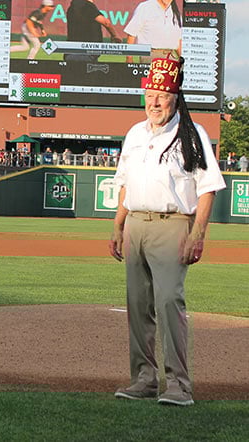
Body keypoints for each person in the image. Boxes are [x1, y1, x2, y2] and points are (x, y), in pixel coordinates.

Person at [109, 57, 226, 406]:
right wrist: (117, 225)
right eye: (150, 93)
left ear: (176, 97)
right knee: (138, 305)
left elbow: (207, 187)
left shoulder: (191, 133)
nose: (154, 101)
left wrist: (198, 233)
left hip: (172, 225)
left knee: (169, 302)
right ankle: (144, 381)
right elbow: (125, 185)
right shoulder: (134, 133)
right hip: (135, 225)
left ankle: (178, 386)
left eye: (162, 94)